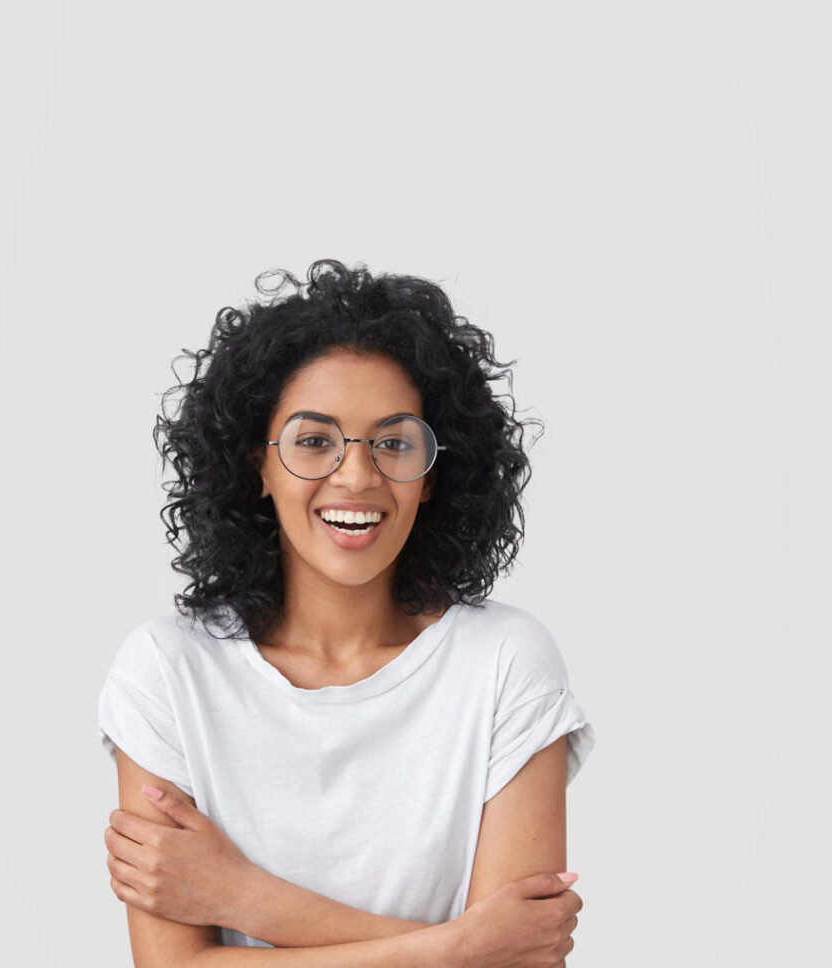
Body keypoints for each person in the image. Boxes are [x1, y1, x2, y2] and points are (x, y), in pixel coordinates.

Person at [98, 259, 595, 966]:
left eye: (394, 443)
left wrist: (239, 896)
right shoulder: (167, 671)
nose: (357, 476)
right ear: (257, 468)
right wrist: (459, 948)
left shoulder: (506, 662)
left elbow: (515, 965)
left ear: (433, 478)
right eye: (313, 441)